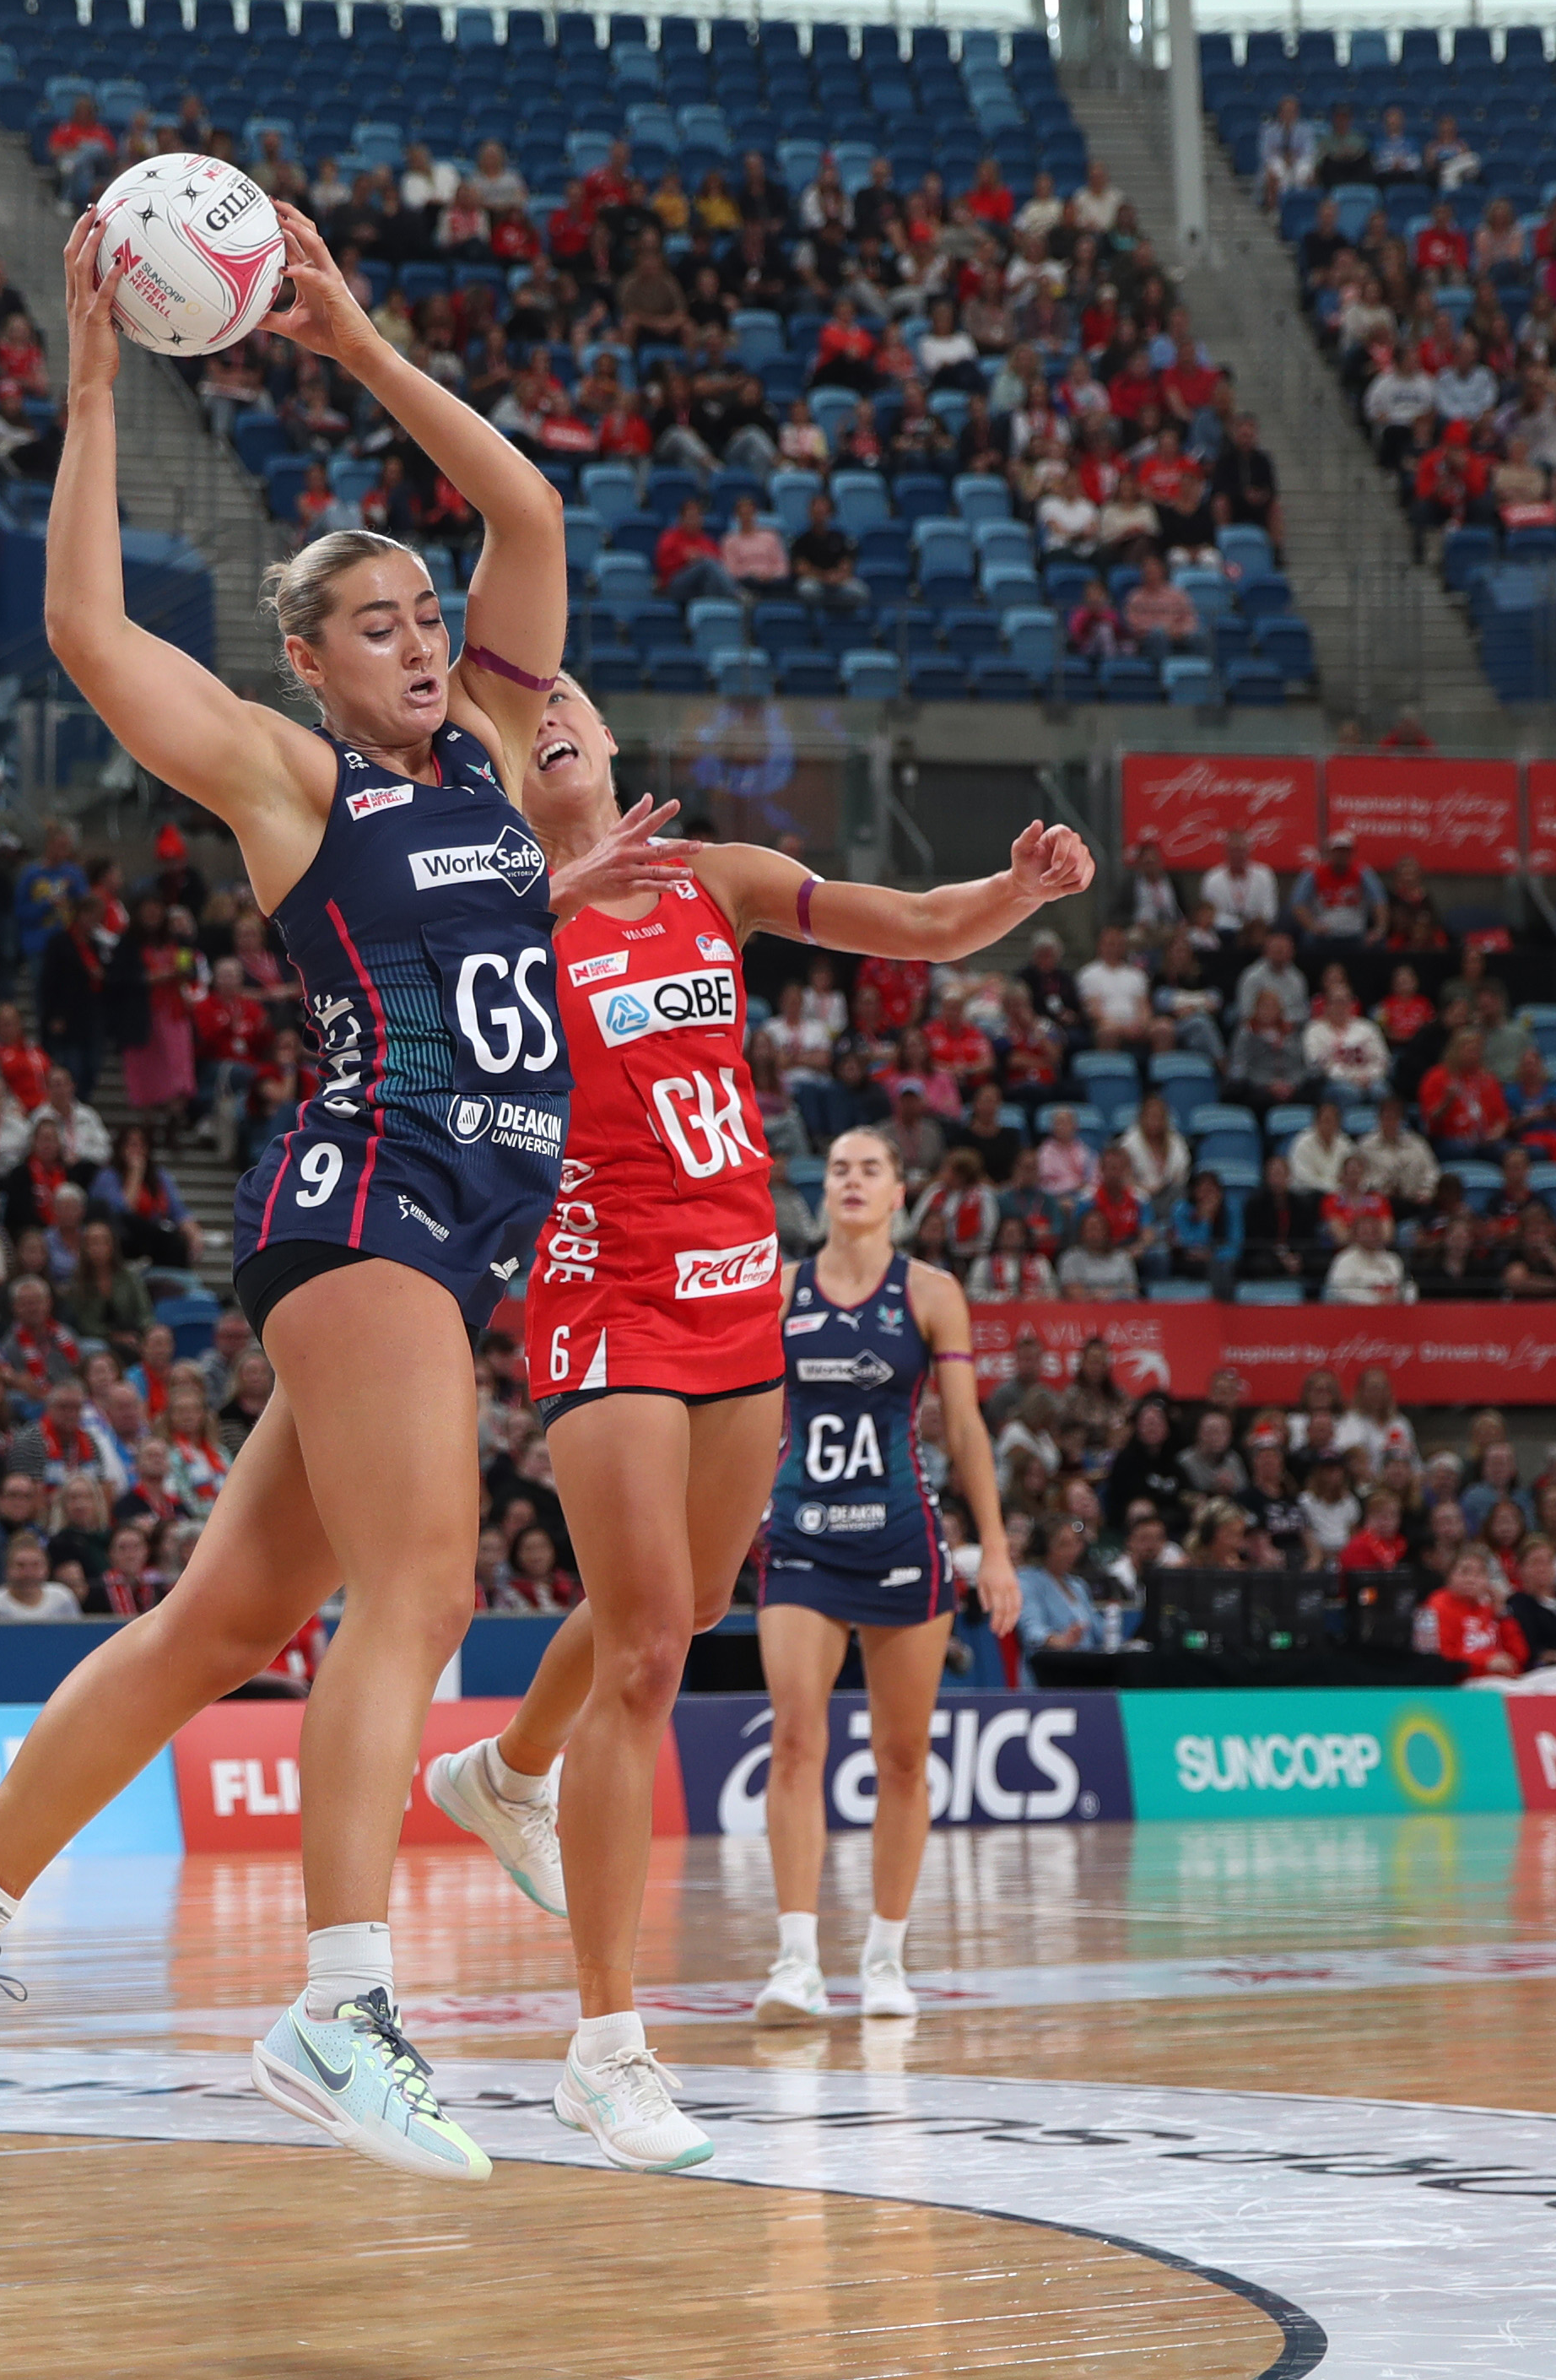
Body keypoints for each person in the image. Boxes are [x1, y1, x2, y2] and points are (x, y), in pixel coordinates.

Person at [0, 203, 679, 2186]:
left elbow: (534, 518)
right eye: (375, 624)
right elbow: (80, 635)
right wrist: (96, 375)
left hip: (435, 1226)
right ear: (307, 664)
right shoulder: (300, 787)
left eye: (427, 616)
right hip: (369, 1188)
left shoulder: (487, 774)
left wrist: (361, 345)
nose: (423, 640)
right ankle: (337, 2006)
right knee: (428, 1588)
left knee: (223, 1617)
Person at [424, 681, 1088, 2169]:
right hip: (603, 1286)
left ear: (606, 745)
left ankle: (506, 1769)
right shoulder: (494, 919)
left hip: (740, 1298)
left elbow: (913, 925)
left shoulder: (712, 879)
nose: (546, 719)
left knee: (681, 1606)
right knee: (653, 1643)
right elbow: (432, 1036)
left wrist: (1016, 890)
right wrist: (534, 903)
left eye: (565, 702)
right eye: (512, 720)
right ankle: (606, 2044)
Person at [739, 1127, 1018, 2027]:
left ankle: (886, 1956)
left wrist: (998, 1545)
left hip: (903, 1535)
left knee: (901, 1755)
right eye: (839, 1170)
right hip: (802, 1535)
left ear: (900, 1191)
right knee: (794, 1737)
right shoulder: (781, 1287)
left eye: (871, 1169)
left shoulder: (932, 1292)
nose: (852, 1181)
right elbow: (740, 1409)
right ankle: (794, 1958)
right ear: (822, 1191)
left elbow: (967, 1431)